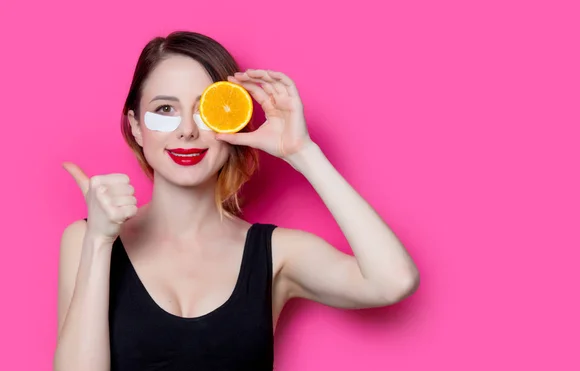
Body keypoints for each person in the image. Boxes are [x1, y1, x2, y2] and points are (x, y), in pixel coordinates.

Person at [53, 31, 420, 371]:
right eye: (165, 109)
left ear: (230, 120)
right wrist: (100, 241)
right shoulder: (87, 240)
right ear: (135, 126)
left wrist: (302, 152)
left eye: (203, 109)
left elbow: (393, 281)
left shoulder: (276, 253)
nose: (187, 130)